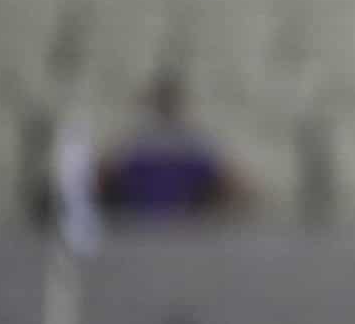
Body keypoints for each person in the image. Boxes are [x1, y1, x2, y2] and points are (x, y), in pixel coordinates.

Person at [99, 71, 246, 219]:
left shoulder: (193, 142)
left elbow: (232, 185)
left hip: (171, 222)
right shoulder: (136, 142)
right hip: (150, 220)